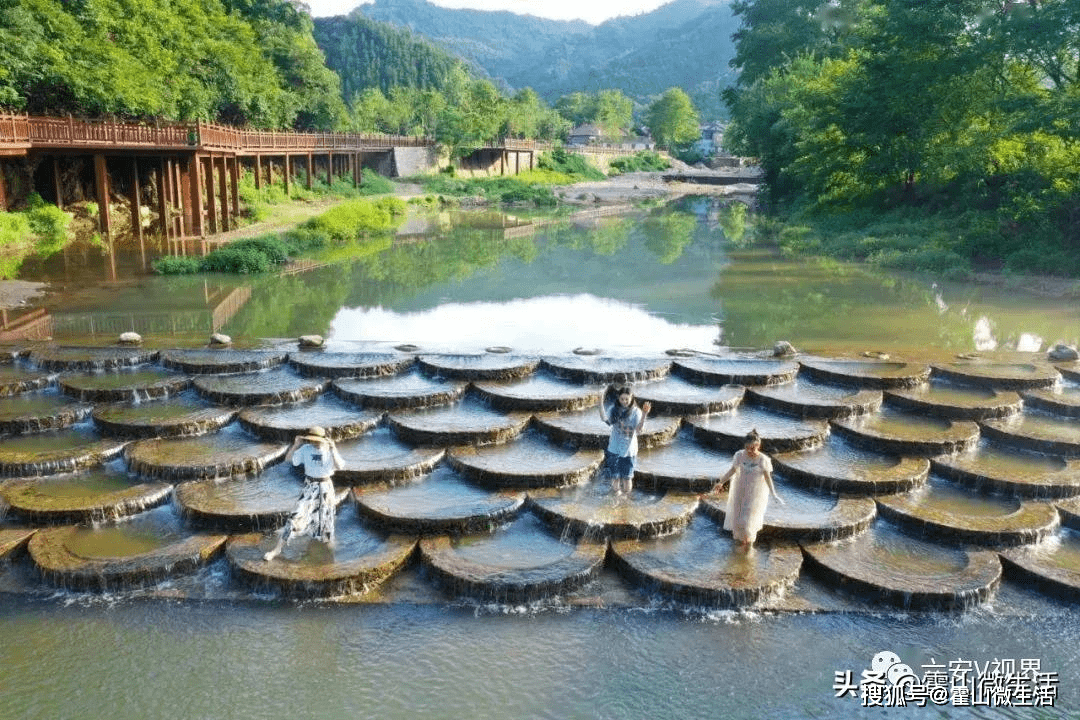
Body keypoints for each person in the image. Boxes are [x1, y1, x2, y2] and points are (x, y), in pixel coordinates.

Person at [263, 426, 346, 561]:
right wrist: (296, 445)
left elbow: (340, 466)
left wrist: (334, 448)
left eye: (317, 441)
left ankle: (327, 546)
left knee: (326, 520)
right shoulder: (305, 449)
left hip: (326, 487)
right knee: (295, 517)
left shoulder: (330, 450)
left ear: (323, 440)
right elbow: (288, 460)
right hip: (310, 487)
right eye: (312, 440)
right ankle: (277, 549)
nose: (315, 443)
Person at [718, 429, 784, 550]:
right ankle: (741, 544)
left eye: (753, 448)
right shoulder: (739, 455)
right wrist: (721, 482)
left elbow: (768, 478)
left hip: (754, 495)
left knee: (748, 523)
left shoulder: (763, 460)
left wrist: (774, 493)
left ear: (758, 446)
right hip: (739, 491)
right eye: (747, 448)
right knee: (737, 521)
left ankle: (749, 548)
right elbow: (732, 470)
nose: (750, 451)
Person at [598, 385, 651, 495]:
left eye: (627, 399)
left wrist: (644, 414)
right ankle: (617, 498)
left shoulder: (636, 412)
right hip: (614, 448)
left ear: (631, 398)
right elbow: (604, 419)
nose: (624, 401)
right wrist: (600, 401)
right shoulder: (614, 409)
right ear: (618, 398)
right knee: (615, 477)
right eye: (622, 399)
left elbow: (639, 430)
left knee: (627, 478)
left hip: (629, 451)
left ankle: (626, 498)